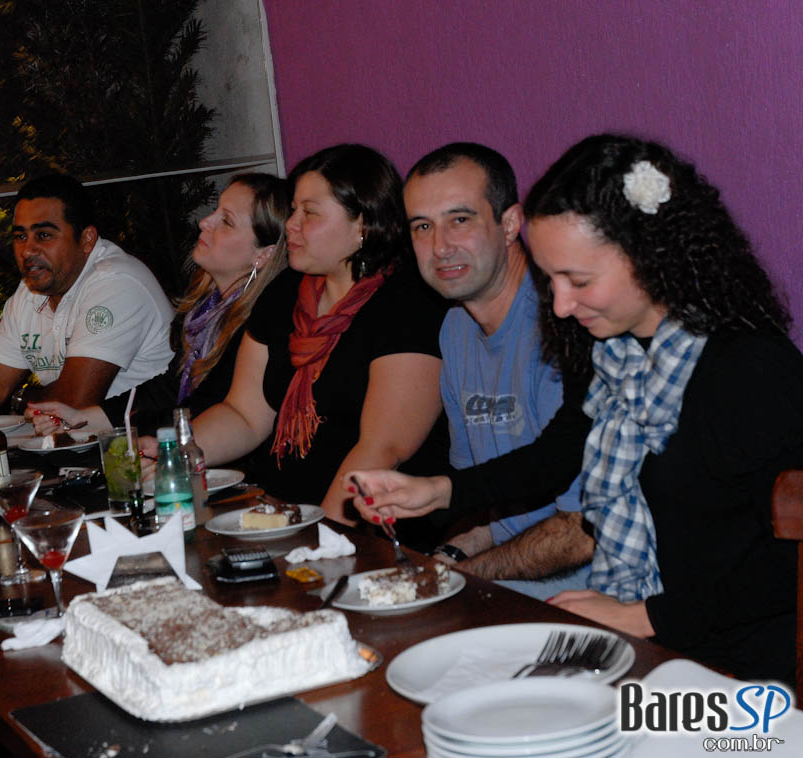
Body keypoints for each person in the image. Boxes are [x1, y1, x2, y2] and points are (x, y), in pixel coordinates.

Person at [362, 133, 801, 682]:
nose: (562, 305)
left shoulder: (748, 369)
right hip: (659, 641)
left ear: (650, 256)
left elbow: (787, 567)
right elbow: (558, 455)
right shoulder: (620, 355)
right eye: (551, 281)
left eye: (578, 280)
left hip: (742, 672)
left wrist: (646, 616)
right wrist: (439, 491)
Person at [176, 144, 446, 524]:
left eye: (310, 213)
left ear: (362, 225)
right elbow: (244, 415)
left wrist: (321, 536)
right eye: (293, 210)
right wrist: (175, 460)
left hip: (367, 526)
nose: (291, 224)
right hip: (281, 512)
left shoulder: (408, 305)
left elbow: (381, 450)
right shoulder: (285, 291)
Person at [386, 143, 592, 598]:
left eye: (460, 219)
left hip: (587, 591)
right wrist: (451, 555)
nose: (440, 247)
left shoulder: (566, 324)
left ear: (510, 224)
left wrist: (463, 576)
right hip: (510, 581)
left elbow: (581, 533)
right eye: (423, 226)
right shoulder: (455, 329)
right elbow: (484, 500)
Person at [26, 173, 290, 435]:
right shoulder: (204, 313)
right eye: (214, 211)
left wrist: (144, 437)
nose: (205, 222)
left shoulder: (260, 324)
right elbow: (166, 391)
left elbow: (203, 409)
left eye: (227, 221)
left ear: (264, 254)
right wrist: (82, 417)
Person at [0, 173, 173, 415]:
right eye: (20, 236)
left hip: (147, 443)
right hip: (87, 444)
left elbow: (75, 403)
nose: (27, 250)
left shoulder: (115, 283)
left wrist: (20, 400)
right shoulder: (30, 293)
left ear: (87, 240)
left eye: (44, 235)